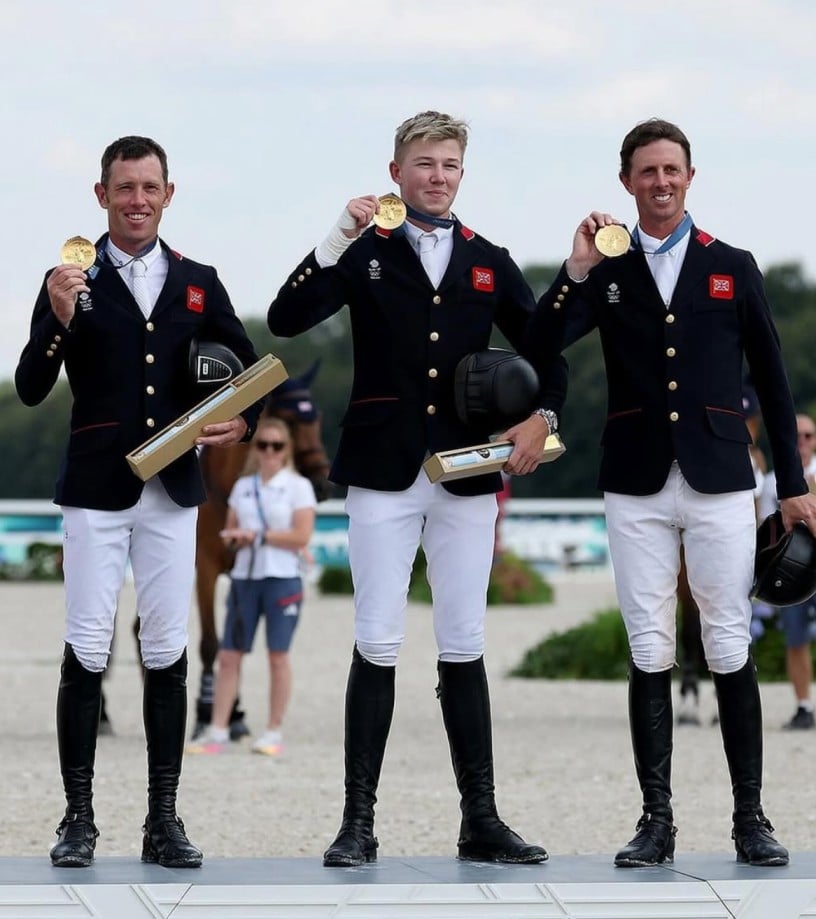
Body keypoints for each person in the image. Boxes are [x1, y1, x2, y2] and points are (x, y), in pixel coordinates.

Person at [268, 110, 565, 867]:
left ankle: (482, 818)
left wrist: (543, 417)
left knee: (464, 641)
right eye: (425, 163)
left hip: (467, 472)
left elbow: (544, 349)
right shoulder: (364, 250)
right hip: (381, 466)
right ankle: (357, 821)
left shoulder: (488, 259)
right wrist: (338, 231)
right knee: (378, 638)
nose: (438, 176)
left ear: (462, 173)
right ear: (397, 170)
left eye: (451, 165)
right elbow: (287, 314)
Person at [527, 117, 816, 868]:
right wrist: (576, 269)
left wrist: (790, 486)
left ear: (691, 177)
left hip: (722, 477)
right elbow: (539, 341)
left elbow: (777, 389)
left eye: (671, 170)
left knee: (725, 641)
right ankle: (656, 820)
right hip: (635, 479)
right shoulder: (610, 271)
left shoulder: (734, 266)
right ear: (626, 181)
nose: (660, 182)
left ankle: (750, 817)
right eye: (646, 172)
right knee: (650, 645)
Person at [14, 136, 263, 868]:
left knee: (167, 647)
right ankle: (79, 818)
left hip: (175, 487)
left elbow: (246, 373)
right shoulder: (69, 278)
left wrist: (239, 419)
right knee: (88, 644)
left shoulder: (198, 280)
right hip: (96, 484)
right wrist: (59, 322)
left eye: (149, 187)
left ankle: (163, 819)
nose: (136, 200)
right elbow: (30, 385)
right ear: (101, 195)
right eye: (124, 188)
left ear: (168, 193)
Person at [188, 418, 316, 756]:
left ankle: (273, 731)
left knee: (277, 656)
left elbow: (302, 536)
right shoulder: (243, 488)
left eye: (277, 446)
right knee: (229, 656)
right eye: (263, 445)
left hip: (281, 577)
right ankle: (218, 729)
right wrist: (234, 540)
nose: (269, 452)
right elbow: (228, 532)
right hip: (245, 577)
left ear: (287, 449)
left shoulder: (298, 487)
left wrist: (259, 537)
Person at [758, 413, 816, 730]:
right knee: (796, 640)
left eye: (808, 436)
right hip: (796, 569)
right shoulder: (770, 482)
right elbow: (768, 529)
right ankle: (803, 704)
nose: (802, 442)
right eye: (797, 436)